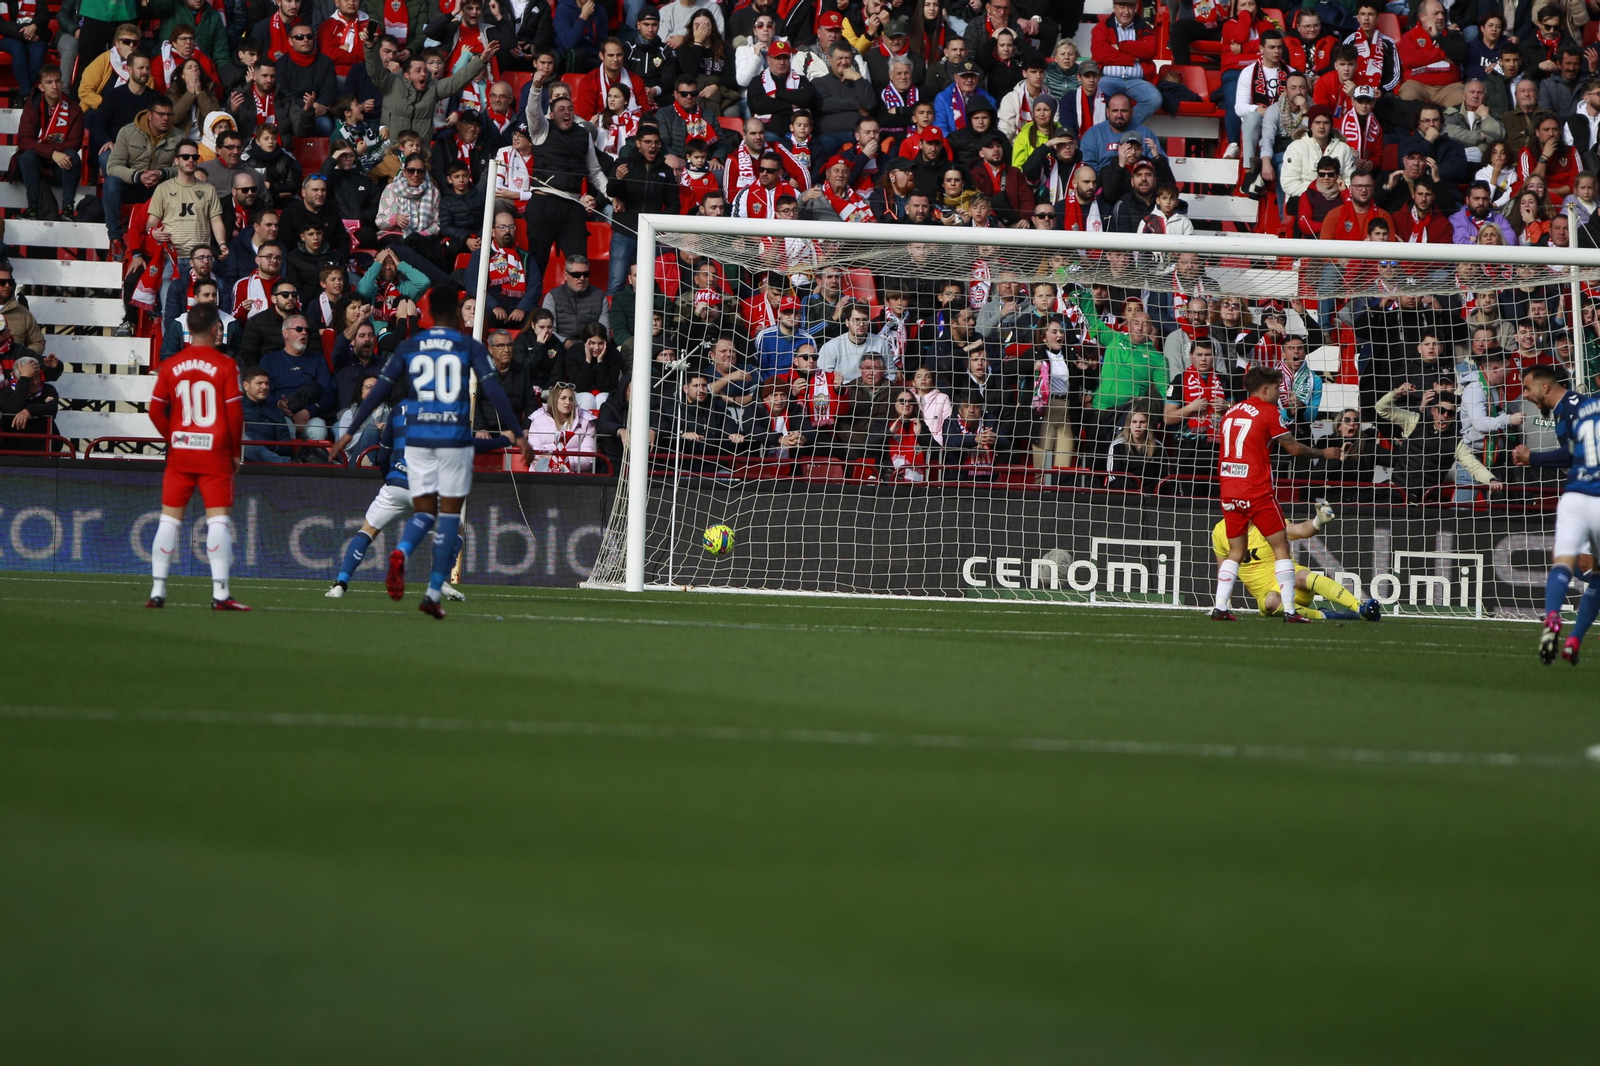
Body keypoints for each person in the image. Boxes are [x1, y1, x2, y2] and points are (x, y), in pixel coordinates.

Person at [332, 286, 532, 617]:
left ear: (428, 315)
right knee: (449, 518)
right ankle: (428, 583)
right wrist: (515, 435)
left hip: (412, 453)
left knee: (409, 514)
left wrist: (351, 430)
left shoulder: (410, 349)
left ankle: (345, 581)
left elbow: (378, 389)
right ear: (456, 314)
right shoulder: (468, 346)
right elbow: (494, 392)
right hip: (450, 434)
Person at [1210, 365, 1350, 623]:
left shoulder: (1231, 411)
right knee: (1281, 547)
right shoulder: (1267, 411)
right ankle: (1289, 610)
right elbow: (1293, 449)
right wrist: (1324, 453)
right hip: (1256, 490)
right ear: (1265, 389)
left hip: (1229, 488)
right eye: (1276, 388)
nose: (1279, 393)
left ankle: (1220, 606)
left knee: (1236, 551)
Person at [144, 303, 249, 611]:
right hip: (214, 451)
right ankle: (220, 593)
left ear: (188, 330)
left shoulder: (171, 364)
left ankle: (158, 590)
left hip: (181, 451)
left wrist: (172, 438)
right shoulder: (227, 365)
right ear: (216, 329)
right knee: (217, 521)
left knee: (168, 519)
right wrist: (234, 452)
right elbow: (234, 414)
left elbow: (154, 410)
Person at [326, 399, 470, 602]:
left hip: (396, 484)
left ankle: (340, 584)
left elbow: (383, 454)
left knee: (368, 530)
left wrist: (391, 481)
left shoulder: (398, 409)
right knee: (457, 529)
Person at [1514, 365, 1599, 664]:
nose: (1525, 395)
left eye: (1527, 388)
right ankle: (1574, 639)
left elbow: (1571, 455)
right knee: (1592, 574)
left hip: (1577, 495)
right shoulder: (1574, 409)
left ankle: (1553, 617)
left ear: (1545, 387)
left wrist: (1532, 457)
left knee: (1563, 563)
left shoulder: (1579, 408)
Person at [1210, 504, 1375, 620]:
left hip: (1293, 585)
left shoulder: (1267, 522)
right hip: (1267, 594)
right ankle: (1325, 615)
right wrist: (1224, 602)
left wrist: (1319, 520)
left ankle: (1359, 606)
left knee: (1302, 575)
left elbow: (1301, 530)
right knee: (1271, 601)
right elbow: (1223, 570)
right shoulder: (1220, 532)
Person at [0, 355, 60, 452]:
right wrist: (24, 379)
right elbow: (14, 407)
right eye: (31, 378)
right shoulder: (5, 392)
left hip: (43, 453)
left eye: (38, 376)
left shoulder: (48, 389)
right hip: (11, 453)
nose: (36, 382)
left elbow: (51, 408)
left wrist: (29, 410)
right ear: (16, 377)